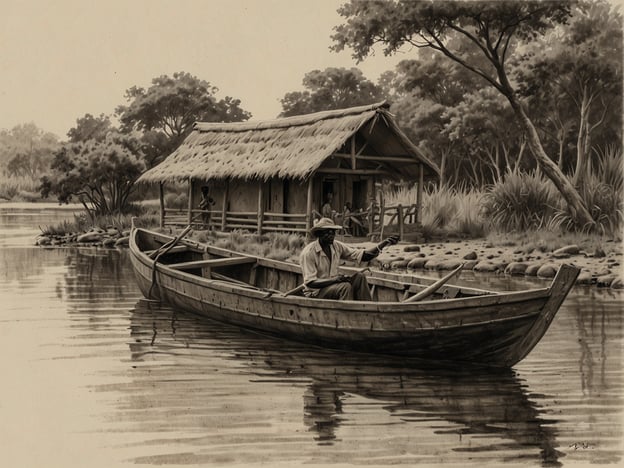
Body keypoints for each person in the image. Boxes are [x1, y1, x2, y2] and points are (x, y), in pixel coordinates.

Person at [300, 217, 399, 300]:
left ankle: (367, 309)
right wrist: (336, 280)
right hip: (316, 293)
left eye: (333, 232)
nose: (331, 235)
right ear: (319, 234)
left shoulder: (336, 246)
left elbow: (363, 255)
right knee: (345, 286)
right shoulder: (309, 253)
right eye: (327, 232)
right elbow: (310, 283)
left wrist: (384, 243)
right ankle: (346, 315)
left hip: (333, 286)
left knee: (360, 277)